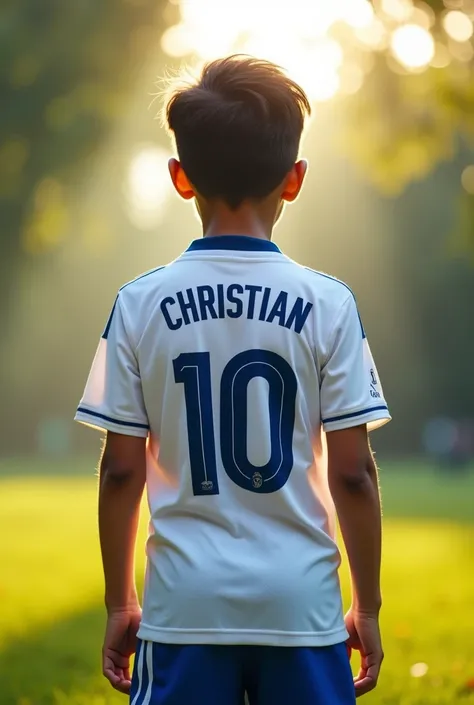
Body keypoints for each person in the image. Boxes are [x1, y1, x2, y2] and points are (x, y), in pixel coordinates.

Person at [75, 55, 391, 705]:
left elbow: (121, 471)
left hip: (185, 606)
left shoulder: (137, 302)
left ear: (180, 178)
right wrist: (367, 603)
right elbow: (354, 473)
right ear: (295, 179)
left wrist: (119, 601)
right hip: (302, 607)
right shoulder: (331, 303)